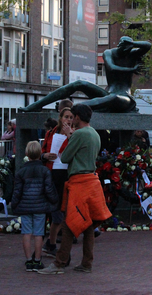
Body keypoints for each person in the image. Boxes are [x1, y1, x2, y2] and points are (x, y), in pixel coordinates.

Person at [38, 104, 111, 275]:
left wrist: (69, 137)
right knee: (88, 225)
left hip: (79, 182)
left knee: (69, 222)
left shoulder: (79, 133)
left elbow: (66, 157)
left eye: (73, 116)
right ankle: (86, 263)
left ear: (77, 117)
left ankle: (59, 263)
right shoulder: (94, 133)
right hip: (92, 181)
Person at [19, 36, 151, 113]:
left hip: (124, 98)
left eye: (128, 48)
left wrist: (132, 43)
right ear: (119, 46)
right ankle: (36, 105)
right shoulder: (109, 53)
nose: (125, 51)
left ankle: (72, 110)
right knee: (79, 83)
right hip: (107, 94)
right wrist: (131, 69)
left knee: (114, 98)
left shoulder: (132, 54)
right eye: (123, 47)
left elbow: (148, 45)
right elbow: (112, 68)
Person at [12, 141, 59, 272]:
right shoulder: (44, 171)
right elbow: (49, 189)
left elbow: (17, 191)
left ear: (27, 154)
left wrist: (14, 204)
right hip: (40, 205)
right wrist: (55, 200)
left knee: (26, 233)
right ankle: (37, 261)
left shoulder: (21, 171)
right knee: (39, 233)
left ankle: (28, 261)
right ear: (40, 154)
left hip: (25, 206)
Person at [41, 107, 74, 257]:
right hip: (50, 172)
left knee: (60, 210)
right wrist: (45, 155)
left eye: (71, 117)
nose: (68, 120)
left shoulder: (74, 134)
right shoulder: (50, 133)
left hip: (65, 174)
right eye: (66, 117)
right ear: (60, 118)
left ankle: (51, 242)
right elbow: (41, 152)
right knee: (52, 208)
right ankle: (49, 242)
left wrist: (70, 136)